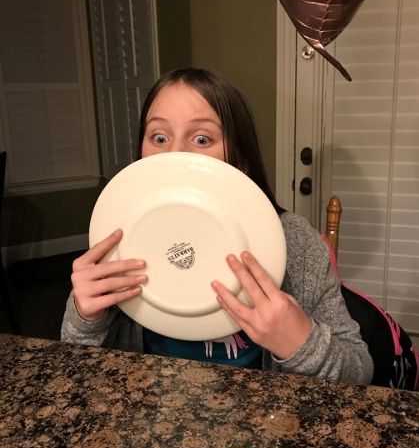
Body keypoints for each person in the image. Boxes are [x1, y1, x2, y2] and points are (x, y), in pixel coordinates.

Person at [61, 68, 373, 384]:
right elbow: (79, 372)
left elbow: (359, 372)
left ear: (241, 162)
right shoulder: (119, 233)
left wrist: (299, 343)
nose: (175, 154)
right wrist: (86, 317)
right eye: (159, 137)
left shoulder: (296, 242)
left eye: (201, 139)